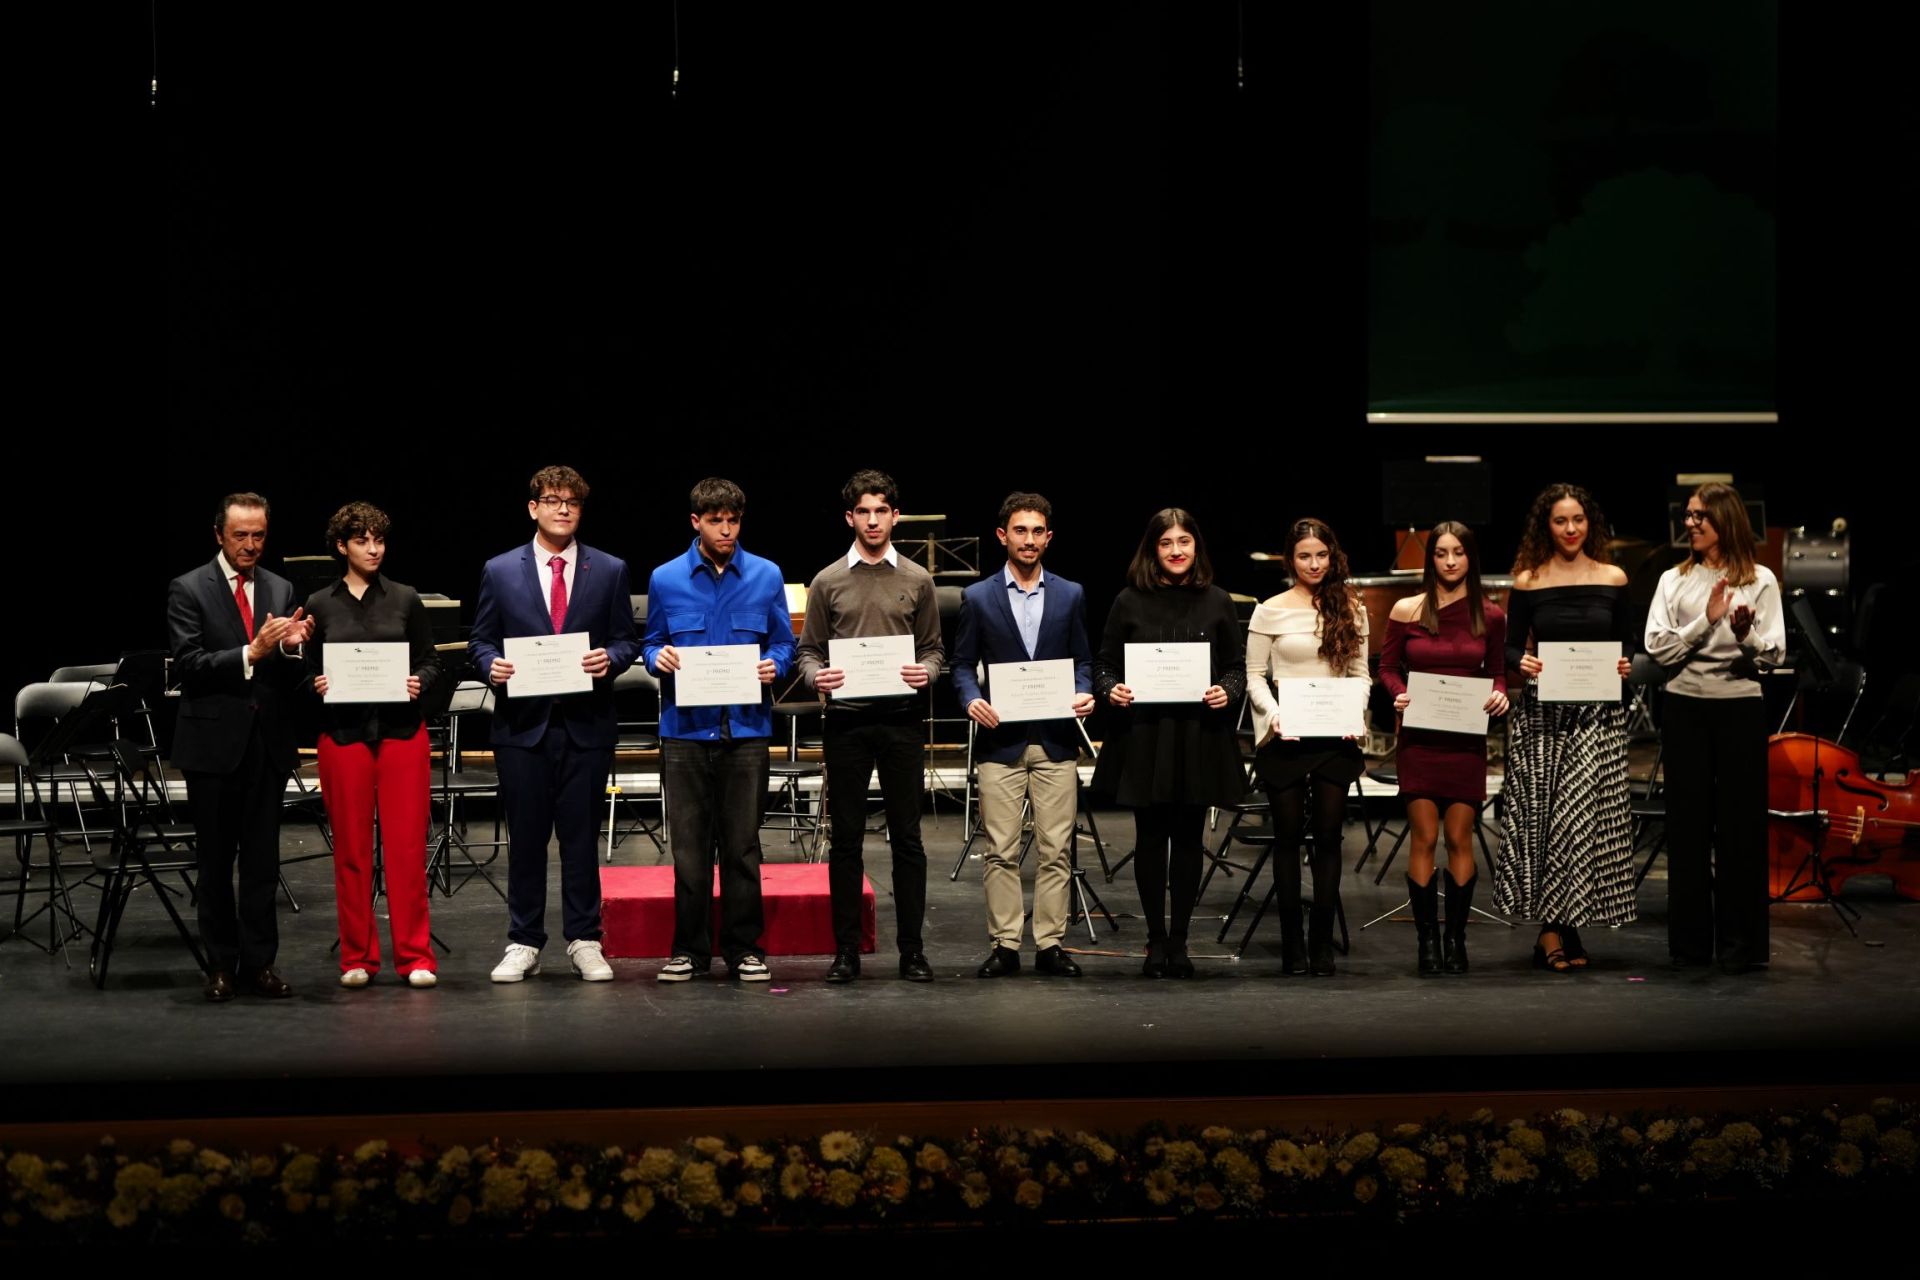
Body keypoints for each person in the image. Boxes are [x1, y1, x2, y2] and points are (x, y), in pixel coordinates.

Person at [471, 466, 640, 983]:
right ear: (533, 508)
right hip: (523, 727)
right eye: (552, 500)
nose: (562, 509)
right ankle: (524, 940)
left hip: (586, 724)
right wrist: (489, 666)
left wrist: (609, 658)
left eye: (572, 502)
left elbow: (628, 639)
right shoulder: (500, 570)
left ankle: (585, 939)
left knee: (581, 838)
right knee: (525, 839)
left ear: (581, 511)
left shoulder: (609, 569)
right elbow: (481, 640)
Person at [641, 477, 794, 984]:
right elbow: (652, 642)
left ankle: (745, 948)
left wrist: (775, 663)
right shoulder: (665, 578)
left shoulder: (767, 575)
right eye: (715, 520)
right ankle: (688, 949)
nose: (726, 529)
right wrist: (655, 657)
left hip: (746, 730)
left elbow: (783, 643)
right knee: (688, 849)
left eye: (733, 520)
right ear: (696, 522)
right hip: (685, 732)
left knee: (743, 846)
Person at [794, 469, 945, 983]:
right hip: (847, 723)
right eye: (864, 511)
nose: (873, 520)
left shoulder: (918, 580)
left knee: (908, 840)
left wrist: (927, 672)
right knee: (847, 841)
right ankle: (846, 951)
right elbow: (809, 651)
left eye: (882, 511)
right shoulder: (828, 580)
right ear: (850, 517)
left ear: (895, 516)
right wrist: (820, 677)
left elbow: (934, 651)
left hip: (902, 720)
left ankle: (912, 951)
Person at [165, 492, 313, 1001]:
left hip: (265, 744)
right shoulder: (188, 588)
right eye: (240, 536)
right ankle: (220, 967)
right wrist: (252, 652)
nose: (251, 545)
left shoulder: (279, 585)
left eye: (259, 536)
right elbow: (187, 664)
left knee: (261, 864)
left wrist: (293, 649)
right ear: (219, 536)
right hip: (211, 744)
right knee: (214, 864)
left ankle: (259, 964)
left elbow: (286, 668)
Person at [1091, 508, 1245, 979]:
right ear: (1152, 549)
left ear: (1196, 547)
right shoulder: (1128, 601)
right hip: (1145, 737)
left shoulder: (1218, 601)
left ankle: (1180, 942)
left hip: (1198, 737)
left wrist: (1228, 689)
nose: (1176, 551)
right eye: (1166, 543)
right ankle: (1154, 941)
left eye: (1184, 542)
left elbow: (1236, 667)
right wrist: (1110, 689)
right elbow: (1103, 666)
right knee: (1151, 840)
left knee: (1189, 842)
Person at [951, 492, 1097, 979]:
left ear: (1048, 537)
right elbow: (960, 665)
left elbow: (1083, 660)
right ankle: (1006, 944)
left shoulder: (1070, 593)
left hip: (1056, 738)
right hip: (1001, 742)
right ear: (1003, 536)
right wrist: (972, 698)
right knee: (1001, 849)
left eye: (1038, 531)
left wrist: (1082, 692)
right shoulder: (977, 597)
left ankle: (1050, 944)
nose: (1029, 540)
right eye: (1020, 530)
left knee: (1057, 848)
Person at [1492, 483, 1636, 972]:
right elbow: (1509, 649)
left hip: (1596, 715)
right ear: (1545, 527)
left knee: (1580, 822)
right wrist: (1523, 663)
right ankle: (1556, 930)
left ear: (1589, 522)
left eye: (1578, 519)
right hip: (1543, 717)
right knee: (1547, 821)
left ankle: (1558, 929)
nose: (1571, 529)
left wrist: (1625, 666)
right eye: (1560, 521)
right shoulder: (1529, 580)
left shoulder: (1613, 577)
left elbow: (1630, 647)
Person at [1644, 482, 1785, 973]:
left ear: (1724, 521)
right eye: (1687, 515)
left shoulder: (1761, 579)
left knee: (1741, 830)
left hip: (1740, 711)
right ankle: (1690, 947)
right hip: (1685, 710)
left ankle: (1741, 947)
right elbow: (1658, 648)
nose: (1690, 523)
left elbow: (1775, 654)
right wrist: (1704, 622)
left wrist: (1744, 633)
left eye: (1699, 516)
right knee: (1687, 829)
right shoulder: (1672, 579)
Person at [304, 502, 442, 989]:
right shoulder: (320, 604)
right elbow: (303, 673)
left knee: (405, 847)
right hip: (343, 735)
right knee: (352, 850)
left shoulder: (405, 598)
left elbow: (431, 662)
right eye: (362, 540)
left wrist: (417, 683)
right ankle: (357, 957)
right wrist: (315, 684)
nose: (374, 548)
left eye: (379, 539)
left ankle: (415, 956)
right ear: (342, 546)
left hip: (402, 733)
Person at [1378, 521, 1509, 977]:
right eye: (1441, 553)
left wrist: (1500, 694)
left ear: (1471, 558)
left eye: (1458, 553)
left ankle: (1456, 939)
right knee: (1425, 837)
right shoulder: (1406, 609)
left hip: (1464, 740)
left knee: (1459, 838)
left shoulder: (1489, 614)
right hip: (1419, 739)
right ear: (1429, 558)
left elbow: (1497, 672)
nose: (1450, 561)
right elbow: (1387, 666)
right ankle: (1426, 941)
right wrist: (1397, 692)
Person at [1244, 518, 1369, 977]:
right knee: (1288, 837)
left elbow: (1360, 675)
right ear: (1289, 560)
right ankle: (1291, 944)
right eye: (1304, 556)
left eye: (1321, 555)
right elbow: (1255, 675)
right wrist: (1274, 714)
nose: (1314, 564)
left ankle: (1321, 942)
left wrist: (1356, 716)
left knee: (1331, 839)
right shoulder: (1269, 609)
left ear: (1332, 556)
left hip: (1334, 737)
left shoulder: (1351, 606)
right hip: (1287, 736)